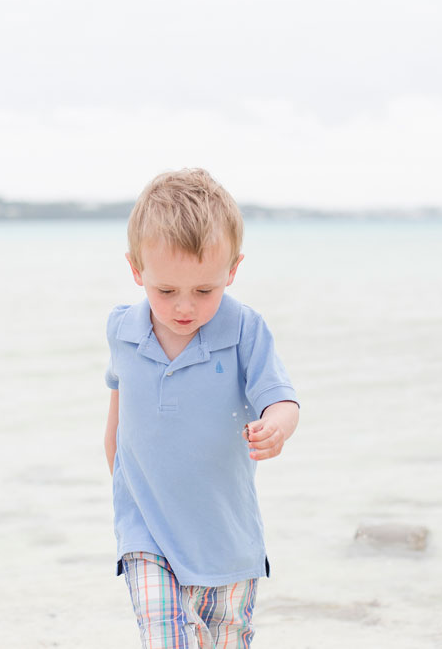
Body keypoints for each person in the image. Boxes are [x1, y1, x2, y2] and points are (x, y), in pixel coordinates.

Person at [104, 168, 300, 648]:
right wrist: (123, 488)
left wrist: (276, 426)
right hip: (146, 531)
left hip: (226, 538)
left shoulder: (244, 330)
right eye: (165, 291)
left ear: (232, 270)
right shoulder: (122, 331)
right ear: (136, 270)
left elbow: (282, 399)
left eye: (205, 291)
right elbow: (118, 418)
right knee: (166, 638)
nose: (184, 308)